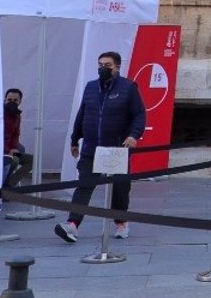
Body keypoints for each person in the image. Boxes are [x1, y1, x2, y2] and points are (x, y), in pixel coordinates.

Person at [55, 51, 146, 244]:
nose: (102, 68)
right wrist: (74, 139)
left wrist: (133, 135)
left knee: (120, 187)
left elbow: (139, 114)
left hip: (116, 147)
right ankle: (73, 224)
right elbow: (83, 114)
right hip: (91, 147)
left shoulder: (128, 88)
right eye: (100, 64)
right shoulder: (90, 88)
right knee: (84, 185)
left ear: (118, 67)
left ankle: (121, 222)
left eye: (107, 65)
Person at [1, 87, 30, 188]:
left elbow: (16, 134)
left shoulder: (17, 115)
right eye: (9, 100)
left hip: (9, 146)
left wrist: (14, 147)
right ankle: (3, 187)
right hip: (0, 148)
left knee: (32, 160)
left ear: (20, 101)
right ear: (4, 100)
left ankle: (9, 184)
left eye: (15, 100)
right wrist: (9, 150)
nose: (12, 102)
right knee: (14, 160)